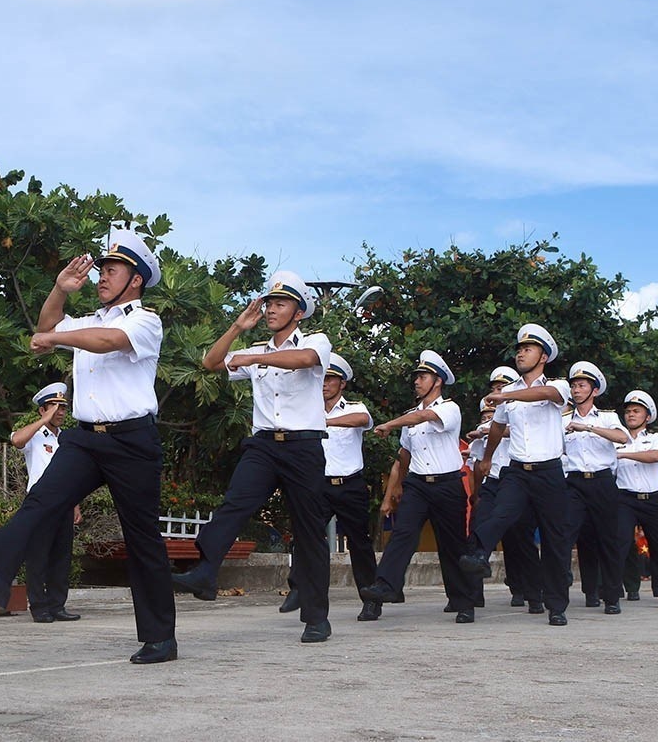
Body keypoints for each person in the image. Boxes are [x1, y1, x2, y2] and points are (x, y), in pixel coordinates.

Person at [0, 231, 178, 665]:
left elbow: (103, 341)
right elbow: (47, 326)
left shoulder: (145, 320)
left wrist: (54, 339)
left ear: (136, 281)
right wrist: (58, 290)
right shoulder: (87, 320)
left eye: (113, 270)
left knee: (143, 539)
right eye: (102, 269)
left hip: (132, 441)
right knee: (41, 503)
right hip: (86, 438)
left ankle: (160, 638)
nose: (102, 276)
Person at [173, 271, 333, 644]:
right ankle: (205, 572)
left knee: (310, 532)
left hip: (303, 446)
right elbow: (211, 363)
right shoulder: (256, 348)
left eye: (281, 304)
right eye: (270, 303)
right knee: (236, 503)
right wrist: (237, 327)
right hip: (263, 444)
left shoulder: (315, 341)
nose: (272, 309)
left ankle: (316, 617)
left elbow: (304, 359)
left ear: (298, 312)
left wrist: (253, 356)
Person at [460, 324, 573, 626]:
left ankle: (556, 604)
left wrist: (508, 397)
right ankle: (478, 555)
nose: (521, 353)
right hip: (518, 470)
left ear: (544, 357)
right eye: (520, 349)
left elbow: (548, 393)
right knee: (500, 513)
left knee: (555, 539)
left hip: (549, 471)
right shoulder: (506, 394)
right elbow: (496, 427)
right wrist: (485, 459)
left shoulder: (558, 386)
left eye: (529, 349)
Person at [360, 351, 478, 623]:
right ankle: (383, 589)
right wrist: (395, 489)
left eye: (422, 377)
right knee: (402, 536)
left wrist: (389, 423)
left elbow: (423, 417)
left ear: (437, 381)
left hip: (447, 484)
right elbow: (404, 454)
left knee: (453, 545)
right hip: (417, 485)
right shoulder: (410, 416)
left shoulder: (449, 408)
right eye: (416, 377)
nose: (416, 382)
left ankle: (463, 601)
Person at [278, 352, 379, 622]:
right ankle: (298, 589)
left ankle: (370, 599)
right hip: (317, 485)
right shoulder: (305, 409)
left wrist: (325, 422)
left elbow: (361, 421)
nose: (324, 384)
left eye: (331, 379)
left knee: (360, 544)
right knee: (305, 536)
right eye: (321, 378)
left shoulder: (354, 407)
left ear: (342, 384)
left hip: (349, 485)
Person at [562, 361, 629, 615]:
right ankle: (562, 589)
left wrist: (588, 427)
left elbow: (623, 438)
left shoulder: (608, 417)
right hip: (575, 482)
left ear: (594, 391)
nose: (576, 390)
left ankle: (611, 596)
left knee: (608, 540)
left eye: (581, 386)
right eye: (574, 386)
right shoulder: (563, 419)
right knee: (565, 534)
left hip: (602, 481)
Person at [11, 382, 81, 623]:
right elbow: (17, 441)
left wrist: (75, 504)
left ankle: (57, 605)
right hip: (40, 503)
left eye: (63, 407)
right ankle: (39, 606)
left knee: (61, 556)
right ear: (42, 410)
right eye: (54, 407)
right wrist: (43, 421)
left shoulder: (66, 439)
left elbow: (72, 474)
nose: (60, 412)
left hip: (63, 502)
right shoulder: (35, 434)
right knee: (38, 555)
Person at [612, 390, 658, 608]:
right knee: (619, 543)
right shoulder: (616, 438)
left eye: (636, 411)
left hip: (653, 499)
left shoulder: (656, 438)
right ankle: (613, 593)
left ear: (647, 417)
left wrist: (623, 454)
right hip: (625, 497)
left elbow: (655, 456)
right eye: (628, 411)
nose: (631, 415)